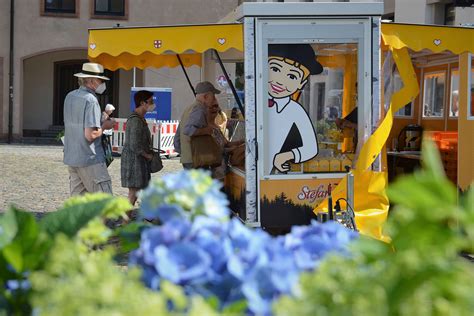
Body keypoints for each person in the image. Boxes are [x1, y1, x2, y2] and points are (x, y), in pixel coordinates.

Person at [267, 44, 323, 174]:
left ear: (301, 83)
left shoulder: (295, 111)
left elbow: (311, 148)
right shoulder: (256, 103)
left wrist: (285, 156)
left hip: (272, 176)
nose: (280, 81)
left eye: (292, 76)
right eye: (275, 69)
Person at [63, 62, 114, 196]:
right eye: (100, 80)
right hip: (90, 158)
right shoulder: (91, 100)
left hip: (73, 156)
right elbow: (90, 135)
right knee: (105, 203)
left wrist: (101, 119)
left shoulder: (70, 96)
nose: (102, 83)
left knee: (79, 208)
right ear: (91, 81)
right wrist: (105, 126)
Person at [174, 81, 221, 169]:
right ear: (206, 96)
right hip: (197, 159)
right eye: (213, 96)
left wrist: (184, 153)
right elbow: (188, 130)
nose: (214, 99)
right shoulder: (199, 109)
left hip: (189, 159)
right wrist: (207, 130)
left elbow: (177, 138)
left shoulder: (188, 109)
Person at [121, 90, 156, 206]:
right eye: (150, 102)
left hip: (139, 161)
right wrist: (148, 156)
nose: (152, 104)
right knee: (133, 192)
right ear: (142, 103)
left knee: (140, 191)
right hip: (134, 162)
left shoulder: (140, 118)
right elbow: (134, 144)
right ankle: (125, 220)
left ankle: (147, 217)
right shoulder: (135, 120)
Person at [206, 102, 245, 181]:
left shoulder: (216, 128)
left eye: (218, 112)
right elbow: (216, 150)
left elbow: (226, 143)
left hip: (222, 168)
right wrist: (234, 148)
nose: (217, 115)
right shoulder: (208, 129)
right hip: (215, 169)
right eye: (214, 112)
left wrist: (241, 142)